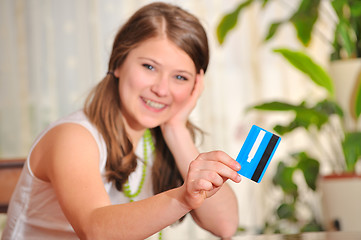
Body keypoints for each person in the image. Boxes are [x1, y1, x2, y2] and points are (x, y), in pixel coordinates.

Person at [2, 2, 241, 239]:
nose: (161, 89)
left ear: (195, 87)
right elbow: (95, 229)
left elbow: (225, 225)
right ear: (118, 63)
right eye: (149, 66)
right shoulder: (73, 137)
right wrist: (183, 198)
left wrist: (176, 129)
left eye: (180, 77)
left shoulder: (156, 139)